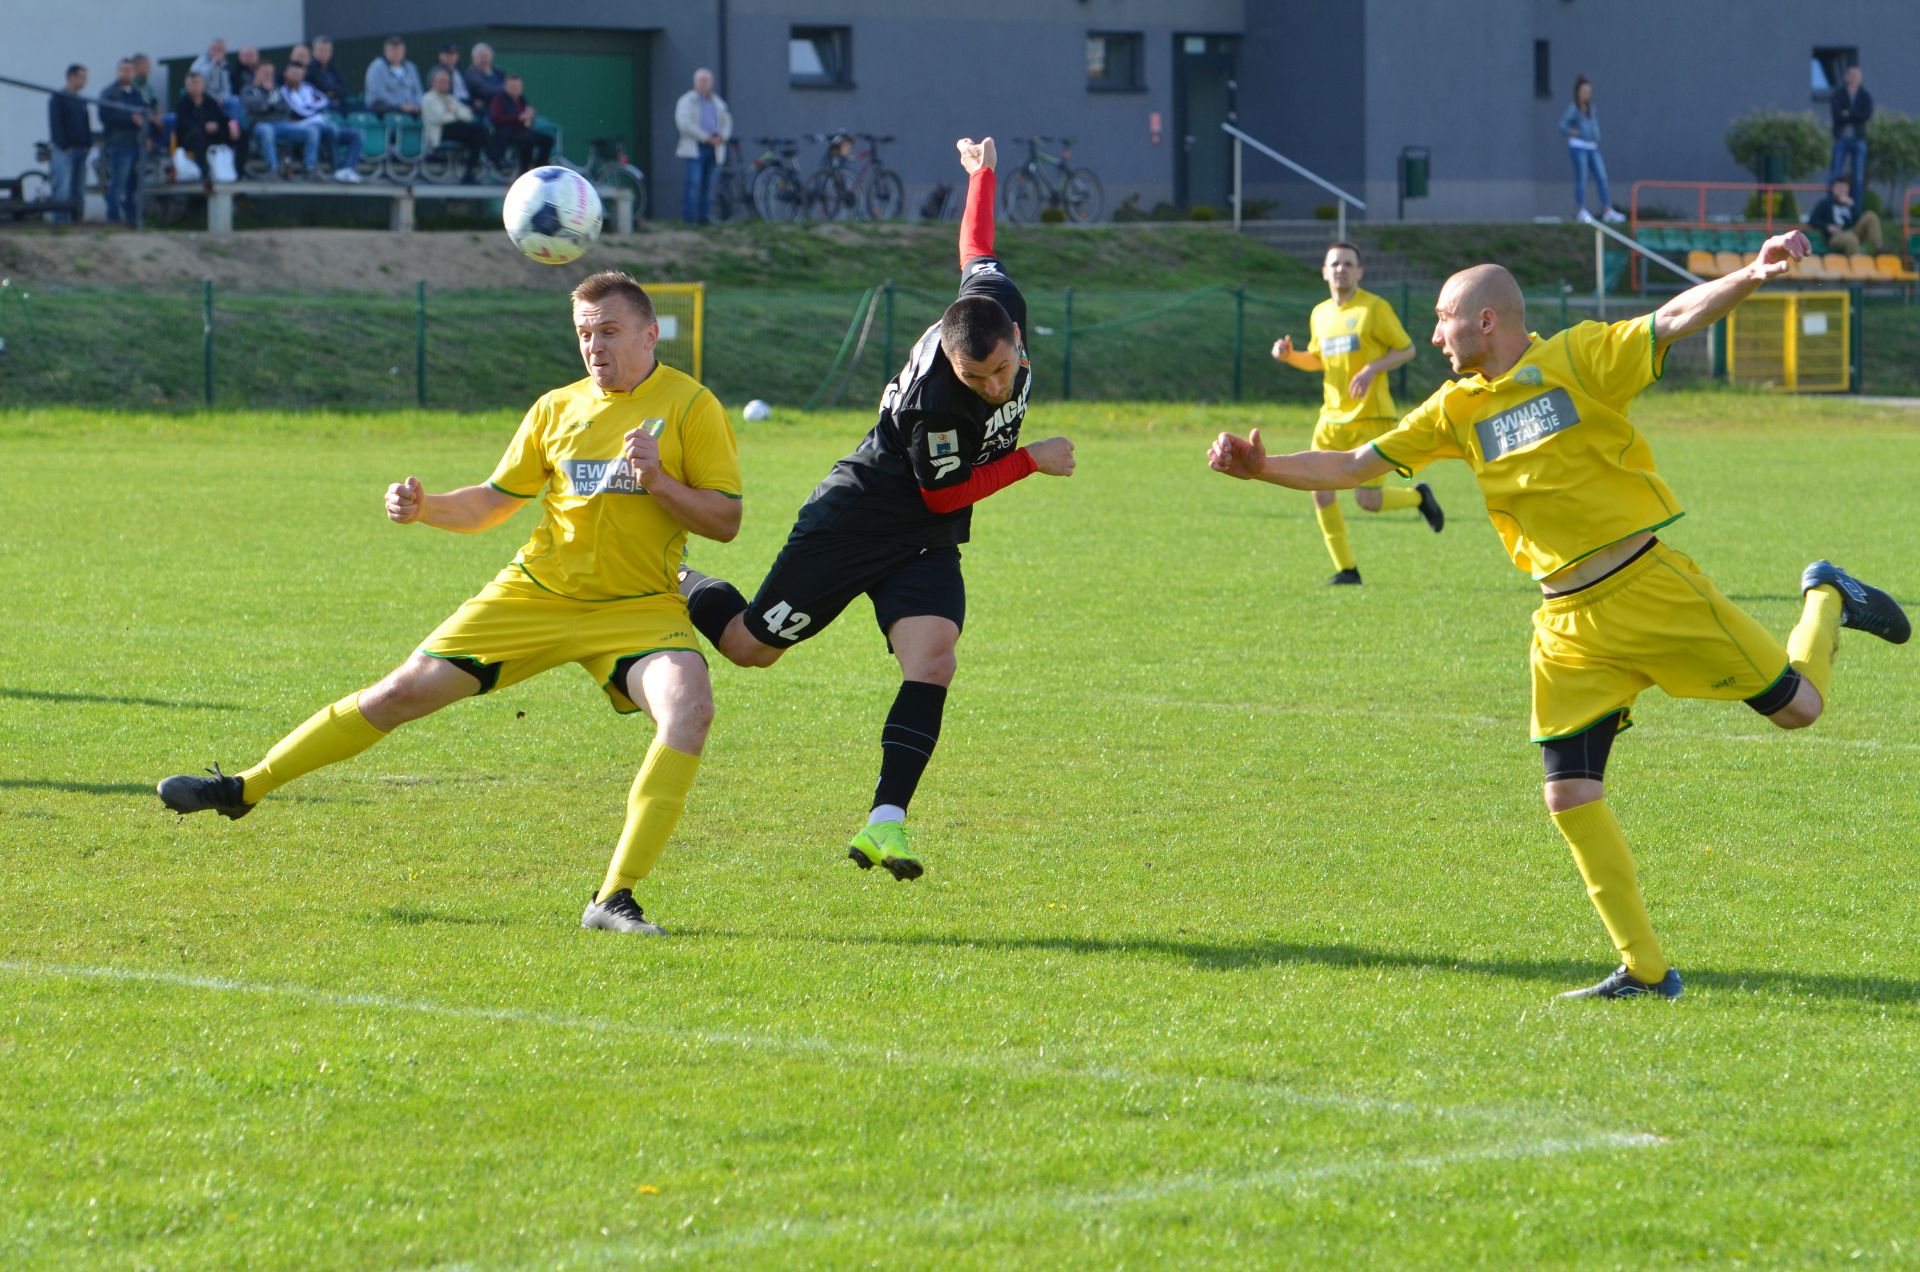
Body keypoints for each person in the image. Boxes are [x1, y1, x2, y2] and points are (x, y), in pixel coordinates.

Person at [1207, 235, 1910, 1000]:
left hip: (1650, 589)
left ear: (1485, 321)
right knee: (1569, 793)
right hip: (1566, 626)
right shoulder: (1454, 409)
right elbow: (1353, 465)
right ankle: (1645, 971)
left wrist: (1751, 273)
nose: (1434, 335)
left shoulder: (1577, 358)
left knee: (1799, 709)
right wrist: (1262, 468)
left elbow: (1674, 317)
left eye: (1442, 318)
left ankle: (1826, 594)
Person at [158, 272, 743, 938]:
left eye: (608, 331)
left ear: (650, 333)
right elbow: (494, 501)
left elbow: (725, 520)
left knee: (690, 709)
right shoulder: (555, 408)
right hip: (536, 595)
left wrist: (658, 480)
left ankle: (613, 898)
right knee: (399, 692)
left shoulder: (692, 407)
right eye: (584, 333)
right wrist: (425, 508)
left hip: (638, 607)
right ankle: (244, 787)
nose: (594, 346)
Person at [678, 137, 1076, 882]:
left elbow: (977, 250)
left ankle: (885, 820)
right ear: (951, 362)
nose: (995, 386)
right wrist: (1030, 458)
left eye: (1001, 369)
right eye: (977, 377)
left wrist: (982, 175)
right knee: (749, 647)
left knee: (934, 659)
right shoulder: (938, 405)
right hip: (855, 520)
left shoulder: (993, 307)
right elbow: (944, 492)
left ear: (1015, 333)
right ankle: (672, 573)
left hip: (921, 539)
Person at [1270, 242, 1441, 584]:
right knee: (1320, 491)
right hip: (1331, 418)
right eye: (1335, 264)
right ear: (1324, 271)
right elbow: (1318, 360)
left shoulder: (1374, 308)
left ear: (1360, 272)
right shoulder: (1320, 313)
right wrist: (1289, 356)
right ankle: (1347, 570)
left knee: (1368, 500)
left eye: (1348, 264)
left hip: (1370, 417)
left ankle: (1418, 497)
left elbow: (1406, 349)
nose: (1341, 270)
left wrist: (1372, 368)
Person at [278, 59, 364, 182]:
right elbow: (297, 111)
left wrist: (310, 108)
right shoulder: (283, 91)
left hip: (321, 124)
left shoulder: (307, 88)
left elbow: (324, 100)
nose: (297, 77)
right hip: (302, 127)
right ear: (286, 74)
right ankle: (336, 169)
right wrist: (312, 108)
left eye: (299, 74)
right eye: (294, 74)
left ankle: (348, 169)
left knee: (356, 134)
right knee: (330, 128)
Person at [1559, 75, 1624, 224]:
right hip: (1578, 146)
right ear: (1578, 92)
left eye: (1589, 91)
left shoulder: (1591, 108)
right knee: (1581, 178)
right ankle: (1581, 210)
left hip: (1592, 146)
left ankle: (1608, 210)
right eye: (1584, 91)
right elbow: (1562, 126)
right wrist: (1572, 131)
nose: (1587, 94)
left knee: (1602, 176)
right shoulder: (1574, 108)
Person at [674, 67, 732, 226]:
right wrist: (705, 137)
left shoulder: (718, 103)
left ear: (711, 83)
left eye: (706, 80)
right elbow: (683, 124)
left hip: (715, 148)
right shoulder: (686, 101)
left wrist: (721, 137)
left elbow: (727, 123)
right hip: (696, 147)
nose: (703, 83)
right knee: (694, 183)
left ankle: (704, 217)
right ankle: (689, 219)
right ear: (695, 82)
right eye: (701, 80)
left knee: (709, 185)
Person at [98, 58, 148, 227]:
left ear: (133, 72)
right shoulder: (109, 93)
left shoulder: (137, 93)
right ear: (117, 71)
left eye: (129, 70)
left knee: (132, 186)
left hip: (136, 143)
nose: (126, 73)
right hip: (119, 143)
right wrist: (130, 119)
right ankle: (113, 219)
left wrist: (146, 135)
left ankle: (131, 220)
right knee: (118, 183)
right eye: (123, 70)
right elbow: (105, 116)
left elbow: (143, 115)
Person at [47, 64, 92, 224]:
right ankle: (61, 224)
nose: (85, 81)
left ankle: (76, 222)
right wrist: (64, 146)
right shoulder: (58, 98)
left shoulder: (81, 100)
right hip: (65, 151)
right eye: (82, 77)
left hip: (81, 150)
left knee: (78, 189)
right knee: (63, 188)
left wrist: (87, 144)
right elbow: (56, 124)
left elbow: (86, 123)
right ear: (72, 77)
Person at [423, 67, 486, 182]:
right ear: (433, 82)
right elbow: (440, 118)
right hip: (440, 132)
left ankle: (470, 171)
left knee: (476, 134)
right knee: (478, 130)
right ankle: (494, 158)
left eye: (447, 81)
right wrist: (455, 114)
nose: (444, 84)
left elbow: (468, 115)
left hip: (457, 130)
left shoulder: (451, 98)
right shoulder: (428, 98)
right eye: (441, 81)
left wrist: (451, 112)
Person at [172, 71, 239, 177]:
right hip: (189, 139)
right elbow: (184, 124)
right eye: (191, 84)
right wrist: (204, 126)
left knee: (241, 134)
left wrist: (233, 125)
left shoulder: (210, 102)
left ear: (203, 85)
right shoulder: (183, 103)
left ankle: (237, 170)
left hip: (211, 136)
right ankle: (204, 172)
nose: (194, 87)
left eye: (197, 83)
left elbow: (222, 119)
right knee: (198, 134)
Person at [487, 74, 553, 173]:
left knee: (548, 140)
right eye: (513, 87)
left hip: (522, 130)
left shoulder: (522, 99)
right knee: (528, 140)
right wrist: (518, 118)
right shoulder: (498, 99)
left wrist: (530, 117)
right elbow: (496, 119)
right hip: (506, 132)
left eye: (518, 87)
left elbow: (527, 116)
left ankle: (539, 168)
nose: (516, 89)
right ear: (506, 87)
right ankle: (524, 170)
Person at [1805, 176, 1882, 256]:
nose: (1841, 190)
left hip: (1852, 231)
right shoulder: (1825, 203)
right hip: (1835, 236)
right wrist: (1827, 226)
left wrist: (1852, 206)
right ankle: (1855, 262)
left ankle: (1879, 249)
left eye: (1844, 188)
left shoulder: (1849, 204)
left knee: (1870, 215)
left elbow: (1858, 219)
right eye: (1839, 187)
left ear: (1848, 190)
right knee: (1851, 239)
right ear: (1833, 189)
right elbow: (1812, 220)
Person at [1829, 64, 1872, 200]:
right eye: (1851, 75)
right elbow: (1837, 114)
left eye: (1856, 76)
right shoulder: (1839, 94)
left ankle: (1856, 208)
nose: (1853, 78)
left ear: (1860, 78)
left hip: (1858, 139)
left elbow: (1866, 115)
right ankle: (1831, 204)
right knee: (1835, 173)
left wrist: (1849, 113)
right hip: (1841, 139)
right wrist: (1856, 115)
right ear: (1846, 76)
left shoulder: (1864, 95)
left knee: (1858, 176)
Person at [239, 61, 289, 175]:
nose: (268, 76)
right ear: (256, 73)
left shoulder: (276, 89)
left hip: (279, 124)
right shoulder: (248, 89)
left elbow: (286, 108)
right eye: (265, 73)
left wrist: (269, 107)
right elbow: (255, 106)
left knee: (311, 131)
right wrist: (270, 105)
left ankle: (310, 168)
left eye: (270, 73)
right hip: (257, 125)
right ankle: (273, 169)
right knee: (267, 130)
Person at [365, 35, 423, 117]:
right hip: (386, 107)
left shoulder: (411, 67)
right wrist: (399, 105)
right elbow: (379, 93)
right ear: (385, 51)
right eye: (393, 50)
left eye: (399, 50)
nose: (397, 53)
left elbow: (418, 91)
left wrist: (416, 105)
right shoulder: (376, 67)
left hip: (410, 107)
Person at [309, 36, 348, 112]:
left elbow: (345, 88)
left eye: (327, 50)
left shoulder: (333, 68)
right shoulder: (308, 70)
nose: (324, 54)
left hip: (338, 107)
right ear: (313, 52)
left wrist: (333, 92)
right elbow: (319, 89)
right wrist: (330, 91)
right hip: (319, 109)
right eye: (321, 50)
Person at [188, 40, 232, 105]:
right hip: (202, 95)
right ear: (209, 49)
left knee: (235, 101)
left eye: (220, 50)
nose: (217, 52)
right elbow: (196, 76)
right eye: (214, 49)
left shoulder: (224, 65)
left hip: (218, 97)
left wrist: (222, 98)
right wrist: (213, 63)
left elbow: (226, 88)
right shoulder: (201, 60)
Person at [464, 42, 505, 109]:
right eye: (481, 56)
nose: (484, 60)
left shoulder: (499, 72)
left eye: (486, 56)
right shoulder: (471, 73)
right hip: (482, 110)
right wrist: (506, 89)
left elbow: (510, 87)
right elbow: (487, 91)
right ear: (473, 58)